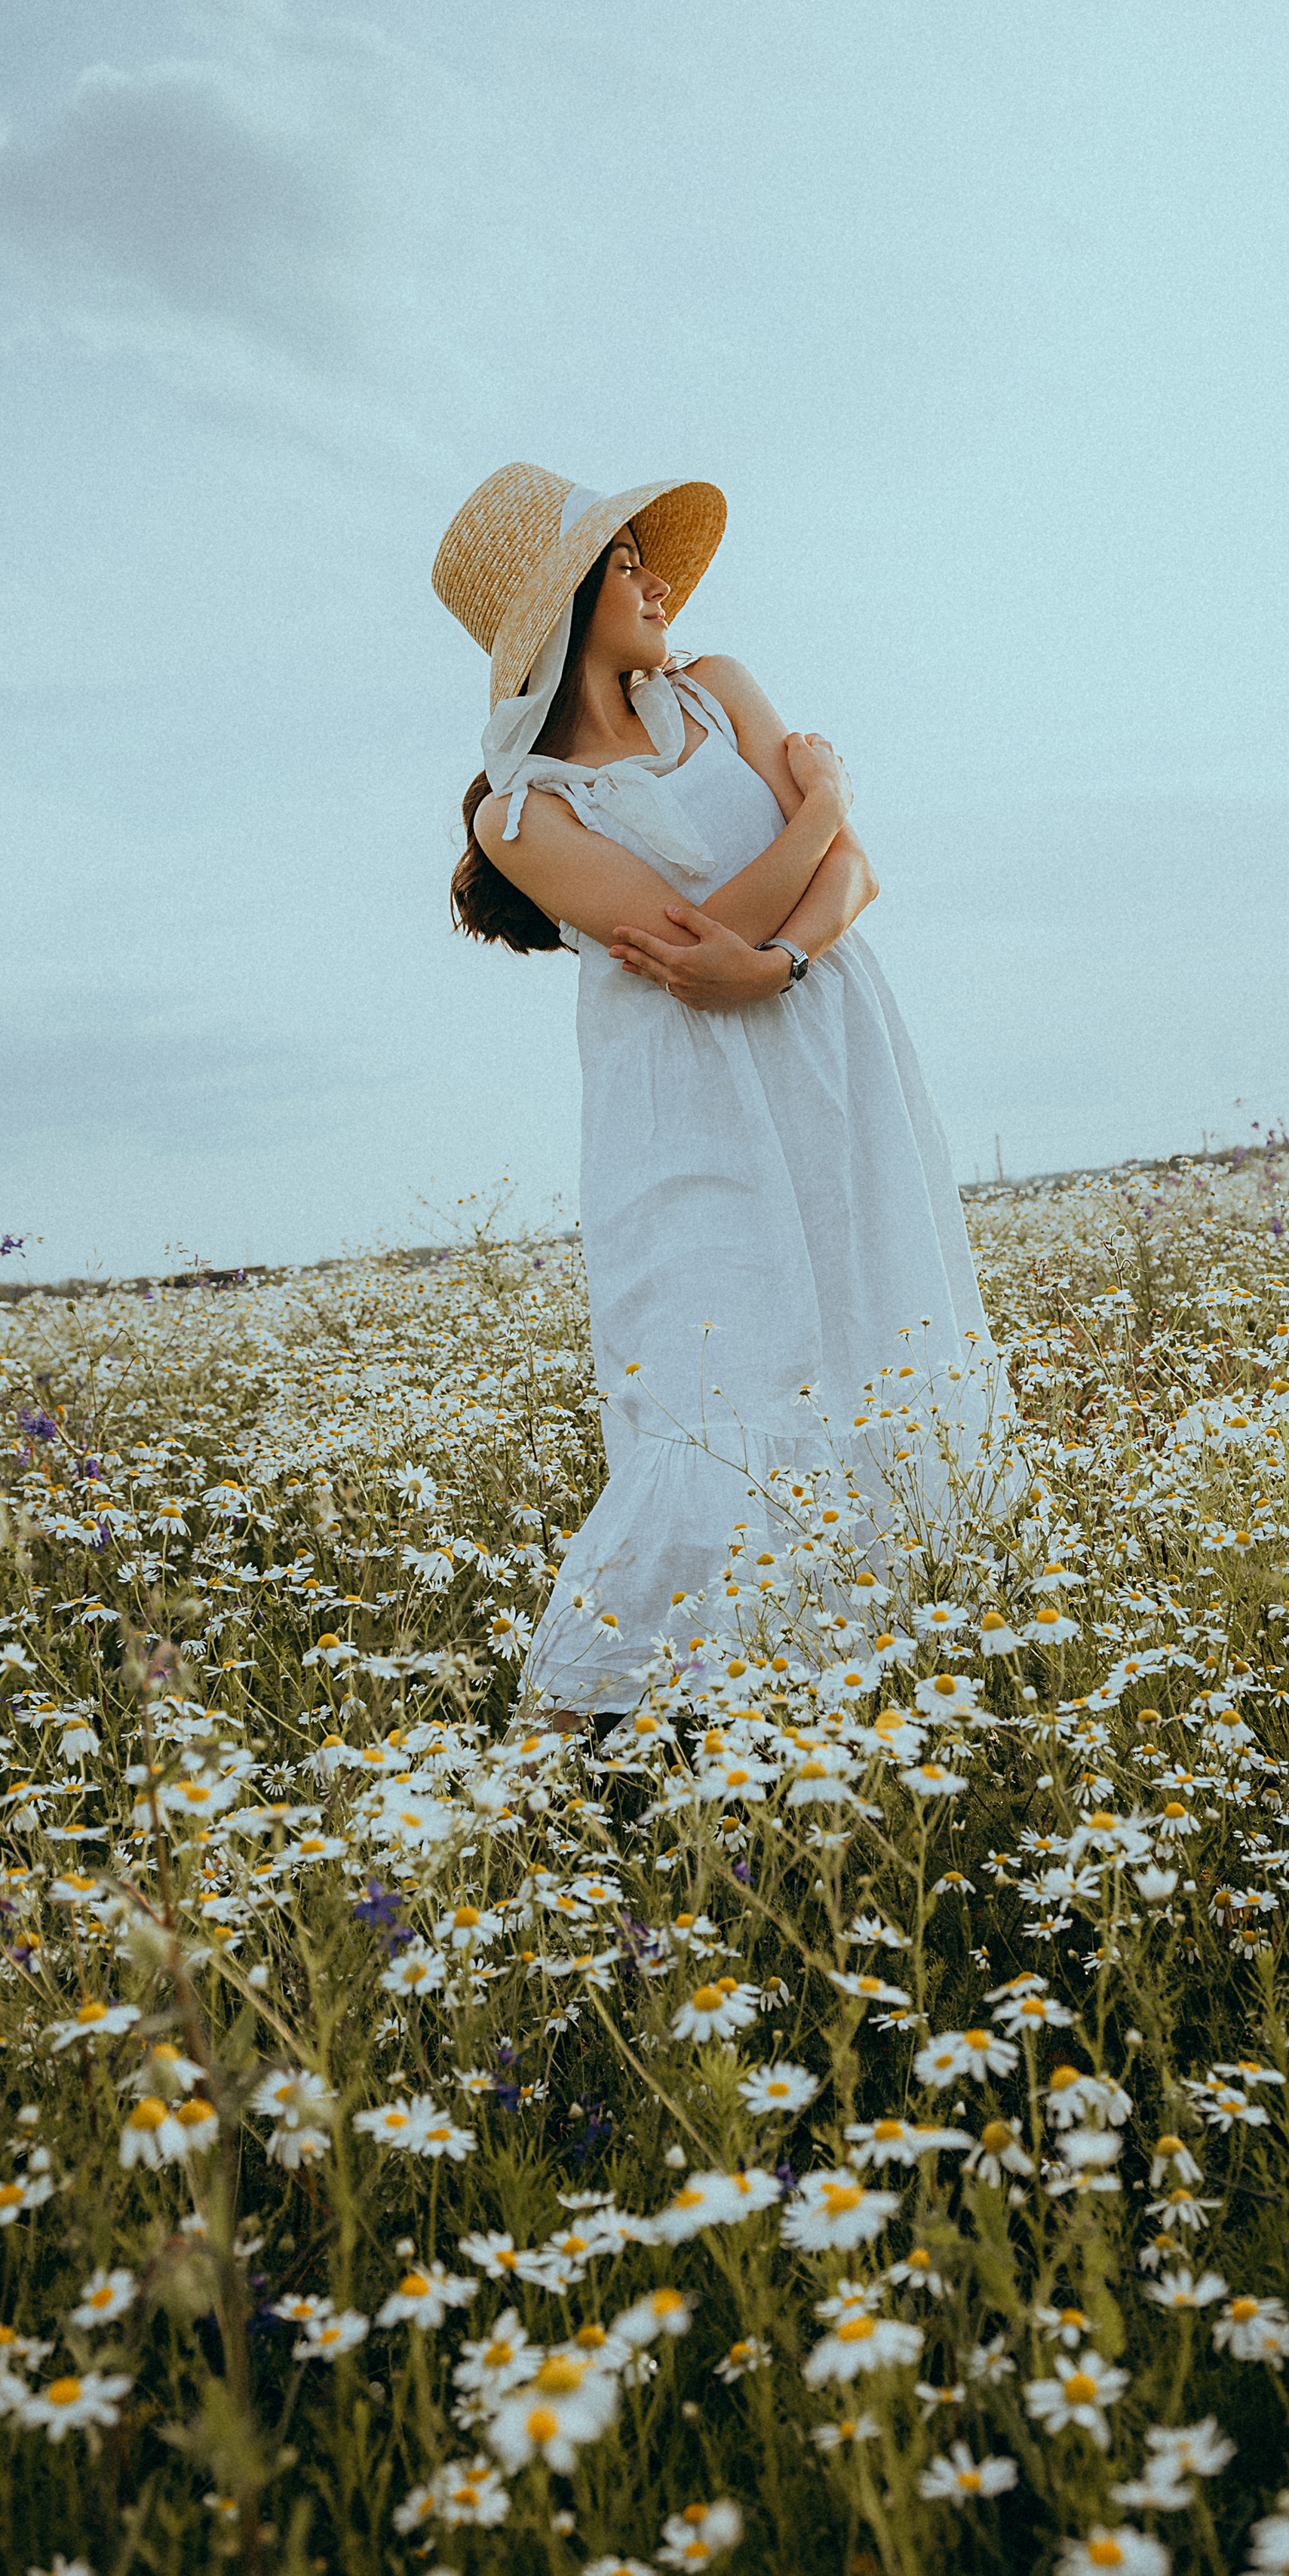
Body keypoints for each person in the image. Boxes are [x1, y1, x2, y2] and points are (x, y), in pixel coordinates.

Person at [437, 462, 1012, 1727]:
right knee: (708, 1390)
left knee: (871, 1334)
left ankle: (830, 1704)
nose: (655, 582)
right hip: (681, 1105)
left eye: (646, 556)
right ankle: (553, 1750)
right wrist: (821, 808)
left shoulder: (722, 689)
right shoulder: (525, 817)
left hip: (828, 1056)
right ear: (572, 599)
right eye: (627, 562)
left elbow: (850, 883)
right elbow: (688, 940)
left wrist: (782, 958)